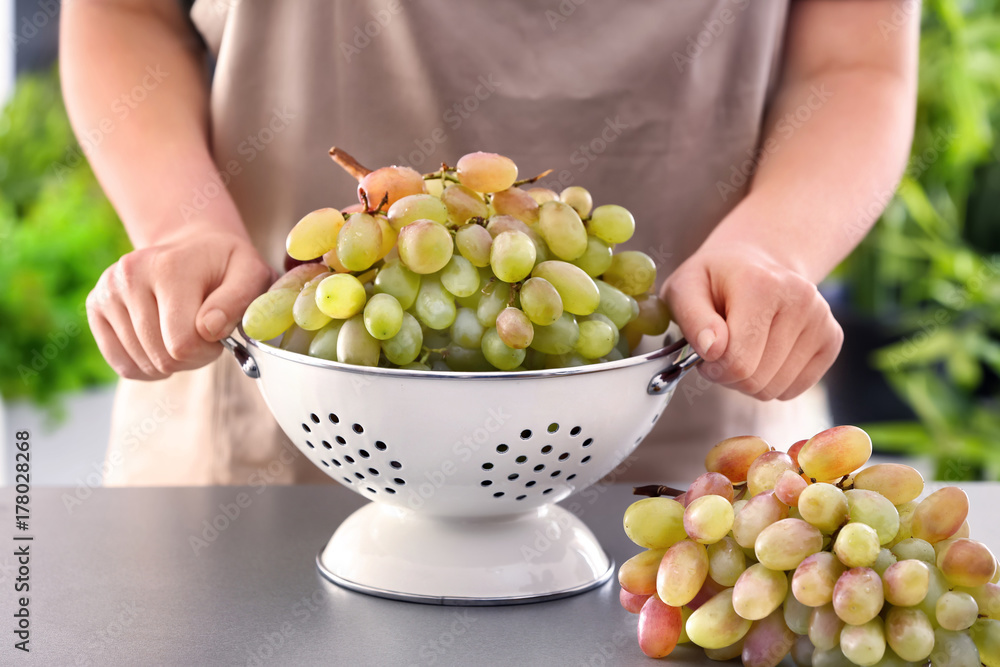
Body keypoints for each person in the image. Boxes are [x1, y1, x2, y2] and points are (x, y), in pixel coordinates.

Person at [60, 0, 918, 486]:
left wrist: (777, 247)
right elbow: (121, 12)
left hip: (694, 427)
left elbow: (856, 56)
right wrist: (180, 222)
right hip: (272, 439)